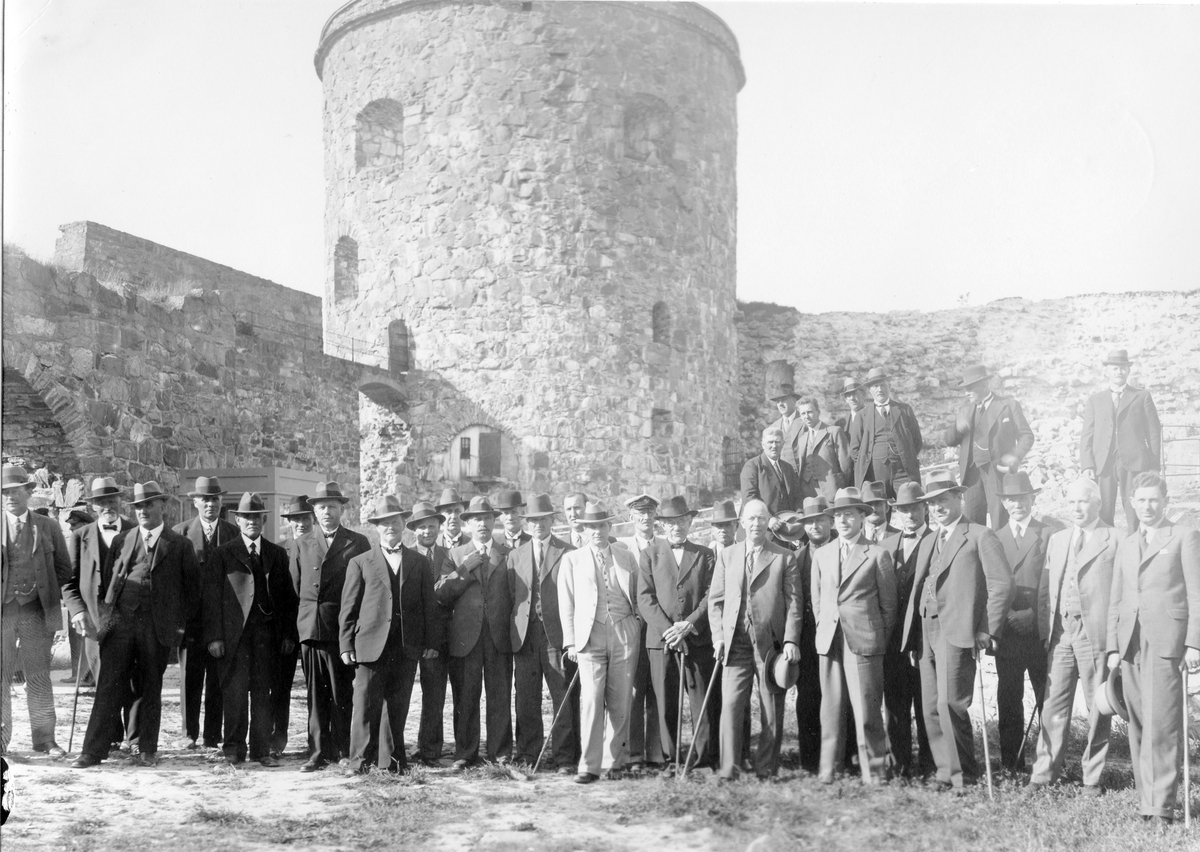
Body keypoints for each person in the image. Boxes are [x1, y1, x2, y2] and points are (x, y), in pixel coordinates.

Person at [72, 482, 202, 768]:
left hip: (157, 628)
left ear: (162, 507)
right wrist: (106, 620)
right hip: (120, 624)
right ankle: (93, 751)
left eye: (149, 505)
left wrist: (178, 628)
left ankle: (146, 749)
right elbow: (108, 582)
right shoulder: (123, 540)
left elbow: (193, 592)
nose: (143, 510)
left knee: (150, 688)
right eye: (139, 506)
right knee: (108, 686)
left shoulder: (179, 544)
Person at [901, 472, 1013, 791]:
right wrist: (912, 635)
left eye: (943, 501)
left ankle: (966, 775)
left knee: (952, 704)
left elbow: (1001, 585)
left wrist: (986, 629)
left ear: (958, 500)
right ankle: (945, 772)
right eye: (932, 503)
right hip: (926, 629)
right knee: (931, 706)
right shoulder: (930, 539)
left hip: (958, 629)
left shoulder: (979, 535)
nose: (937, 508)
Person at [1106, 472, 1200, 826]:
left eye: (1154, 500)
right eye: (1141, 500)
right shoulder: (1127, 543)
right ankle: (1147, 801)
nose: (1147, 506)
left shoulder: (1184, 536)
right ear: (1131, 501)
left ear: (1166, 501)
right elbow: (1117, 599)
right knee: (1139, 725)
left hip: (1166, 643)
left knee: (1162, 725)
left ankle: (1161, 807)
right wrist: (1113, 647)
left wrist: (1193, 643)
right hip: (1130, 645)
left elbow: (1196, 594)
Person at [1029, 478, 1118, 794]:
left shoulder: (1115, 538)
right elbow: (1047, 591)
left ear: (1098, 504)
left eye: (1082, 502)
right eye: (1071, 503)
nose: (1076, 508)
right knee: (1053, 703)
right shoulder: (1059, 539)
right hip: (1061, 635)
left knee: (1098, 707)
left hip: (1095, 635)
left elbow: (1121, 595)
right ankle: (1043, 773)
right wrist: (1046, 630)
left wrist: (1115, 642)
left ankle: (1091, 777)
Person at [339, 495, 439, 775]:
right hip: (369, 643)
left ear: (403, 524)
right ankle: (359, 761)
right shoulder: (360, 562)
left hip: (405, 645)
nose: (390, 527)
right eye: (384, 524)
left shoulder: (419, 562)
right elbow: (349, 606)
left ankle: (393, 761)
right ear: (377, 528)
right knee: (365, 704)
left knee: (398, 704)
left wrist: (430, 642)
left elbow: (429, 606)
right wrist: (346, 643)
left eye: (395, 522)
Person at [709, 499, 803, 781]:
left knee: (770, 708)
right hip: (734, 641)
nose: (756, 524)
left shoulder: (784, 556)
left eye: (762, 518)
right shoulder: (728, 555)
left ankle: (766, 769)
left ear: (768, 522)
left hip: (770, 645)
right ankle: (729, 769)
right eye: (750, 519)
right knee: (731, 705)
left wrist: (790, 640)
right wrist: (718, 637)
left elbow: (794, 604)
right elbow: (715, 602)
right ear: (741, 523)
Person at [205, 493, 298, 767]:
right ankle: (233, 749)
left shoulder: (276, 554)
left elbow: (286, 600)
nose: (252, 522)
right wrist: (214, 637)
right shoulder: (222, 554)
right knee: (234, 692)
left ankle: (261, 750)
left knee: (262, 694)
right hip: (234, 638)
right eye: (246, 517)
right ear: (238, 520)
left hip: (266, 637)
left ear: (264, 519)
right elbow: (211, 600)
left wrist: (287, 636)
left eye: (257, 517)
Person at [811, 488, 897, 784]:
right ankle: (829, 770)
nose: (843, 520)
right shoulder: (822, 554)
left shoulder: (877, 553)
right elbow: (817, 600)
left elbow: (889, 607)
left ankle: (874, 772)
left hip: (863, 642)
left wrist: (876, 639)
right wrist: (824, 628)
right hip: (830, 639)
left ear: (862, 517)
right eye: (838, 515)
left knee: (867, 710)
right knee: (830, 709)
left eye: (849, 514)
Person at [558, 501, 642, 783]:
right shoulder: (572, 560)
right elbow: (566, 604)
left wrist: (636, 624)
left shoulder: (625, 555)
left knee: (620, 700)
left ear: (609, 527)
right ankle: (589, 765)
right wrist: (570, 642)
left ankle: (613, 762)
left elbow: (638, 593)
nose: (597, 531)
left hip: (623, 632)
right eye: (591, 526)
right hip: (589, 636)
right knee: (592, 699)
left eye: (601, 525)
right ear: (584, 529)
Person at [293, 481, 370, 772]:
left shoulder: (357, 542)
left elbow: (363, 588)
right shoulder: (302, 544)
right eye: (322, 507)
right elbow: (295, 587)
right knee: (315, 694)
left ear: (342, 510)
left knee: (341, 693)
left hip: (341, 629)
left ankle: (340, 749)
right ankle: (316, 752)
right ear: (314, 510)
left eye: (333, 507)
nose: (327, 512)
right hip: (312, 629)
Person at [637, 496, 718, 772]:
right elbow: (645, 598)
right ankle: (670, 759)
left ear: (690, 522)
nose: (676, 527)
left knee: (701, 703)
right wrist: (670, 631)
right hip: (662, 642)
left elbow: (711, 595)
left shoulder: (705, 554)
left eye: (682, 521)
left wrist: (691, 624)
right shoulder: (650, 554)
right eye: (671, 523)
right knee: (665, 702)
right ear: (662, 526)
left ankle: (702, 759)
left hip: (697, 639)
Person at [435, 496, 514, 770]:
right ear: (467, 524)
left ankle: (500, 753)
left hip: (497, 636)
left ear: (495, 522)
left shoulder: (507, 554)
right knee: (466, 697)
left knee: (499, 696)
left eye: (488, 518)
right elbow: (441, 594)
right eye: (476, 519)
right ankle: (465, 753)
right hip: (465, 638)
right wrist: (464, 569)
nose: (483, 523)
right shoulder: (454, 555)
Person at [1, 465, 72, 758]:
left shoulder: (47, 526)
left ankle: (44, 740)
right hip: (3, 616)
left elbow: (64, 569)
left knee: (39, 677)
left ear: (29, 492)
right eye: (5, 493)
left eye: (16, 491)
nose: (10, 497)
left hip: (36, 614)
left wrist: (47, 597)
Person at [64, 477, 139, 749]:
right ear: (94, 506)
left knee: (132, 680)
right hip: (95, 620)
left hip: (130, 618)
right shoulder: (80, 537)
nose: (107, 506)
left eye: (111, 500)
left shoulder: (135, 531)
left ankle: (135, 738)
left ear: (119, 501)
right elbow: (69, 582)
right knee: (103, 678)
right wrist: (77, 612)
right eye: (101, 502)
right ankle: (110, 735)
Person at [508, 493, 577, 771]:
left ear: (552, 521)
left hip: (555, 637)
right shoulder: (515, 554)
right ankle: (527, 755)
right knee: (526, 696)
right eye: (533, 520)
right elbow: (512, 597)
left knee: (561, 697)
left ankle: (563, 758)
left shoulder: (567, 552)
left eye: (543, 519)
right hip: (525, 637)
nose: (538, 525)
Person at [992, 472, 1055, 772]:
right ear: (1004, 503)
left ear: (1032, 498)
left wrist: (1034, 614)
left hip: (1038, 630)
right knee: (1009, 701)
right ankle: (1011, 765)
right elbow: (989, 583)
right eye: (1011, 499)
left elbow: (1055, 580)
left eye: (1022, 498)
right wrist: (1006, 616)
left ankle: (1049, 766)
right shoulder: (994, 538)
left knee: (1048, 701)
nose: (1017, 504)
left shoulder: (1048, 534)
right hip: (1009, 633)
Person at [174, 475, 239, 750]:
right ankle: (189, 733)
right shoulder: (180, 533)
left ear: (221, 502)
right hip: (191, 622)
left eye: (214, 499)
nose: (210, 504)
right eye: (204, 500)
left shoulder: (233, 533)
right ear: (195, 503)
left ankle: (213, 735)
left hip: (221, 621)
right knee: (190, 676)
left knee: (216, 678)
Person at [879, 482, 935, 778]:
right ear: (896, 512)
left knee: (927, 705)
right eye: (903, 509)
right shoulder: (887, 545)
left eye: (914, 507)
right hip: (893, 643)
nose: (909, 514)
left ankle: (929, 764)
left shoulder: (938, 541)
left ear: (925, 508)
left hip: (925, 639)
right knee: (896, 706)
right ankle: (898, 764)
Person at [943, 365, 1035, 530]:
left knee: (1001, 520)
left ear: (984, 385)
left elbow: (1026, 436)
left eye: (970, 387)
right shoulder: (965, 409)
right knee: (972, 523)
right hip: (971, 475)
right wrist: (957, 428)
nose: (966, 392)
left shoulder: (1008, 405)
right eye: (965, 388)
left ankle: (1004, 553)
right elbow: (948, 440)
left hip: (998, 472)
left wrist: (1015, 456)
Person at [1080, 349, 1162, 530]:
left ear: (1128, 371)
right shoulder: (1095, 400)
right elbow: (1087, 434)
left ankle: (1138, 546)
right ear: (1107, 371)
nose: (1119, 372)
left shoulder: (1142, 396)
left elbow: (1154, 434)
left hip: (1135, 462)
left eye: (1123, 368)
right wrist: (1087, 465)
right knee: (1102, 510)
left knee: (1136, 509)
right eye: (1115, 368)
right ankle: (1107, 549)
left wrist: (1154, 467)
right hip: (1104, 463)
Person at [615, 493, 661, 772]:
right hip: (631, 628)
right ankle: (632, 754)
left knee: (656, 689)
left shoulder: (666, 547)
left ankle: (655, 752)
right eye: (640, 513)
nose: (646, 518)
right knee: (632, 691)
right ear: (631, 518)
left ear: (656, 516)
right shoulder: (621, 549)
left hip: (658, 630)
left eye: (650, 513)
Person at [406, 501, 453, 767]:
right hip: (413, 636)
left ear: (438, 528)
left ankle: (430, 749)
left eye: (431, 526)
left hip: (442, 637)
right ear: (414, 530)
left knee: (434, 695)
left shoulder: (449, 555)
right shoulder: (406, 554)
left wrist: (435, 638)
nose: (427, 532)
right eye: (422, 527)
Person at [271, 495, 313, 757]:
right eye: (294, 519)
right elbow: (278, 595)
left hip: (314, 627)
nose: (299, 524)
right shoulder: (279, 551)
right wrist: (286, 632)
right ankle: (278, 737)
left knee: (317, 686)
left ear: (313, 520)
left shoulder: (322, 547)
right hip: (286, 628)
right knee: (280, 685)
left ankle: (317, 740)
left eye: (304, 519)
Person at [793, 496, 831, 772]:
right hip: (806, 636)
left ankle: (843, 754)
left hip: (836, 634)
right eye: (809, 522)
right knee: (807, 696)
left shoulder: (842, 550)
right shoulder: (797, 557)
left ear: (829, 521)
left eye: (819, 519)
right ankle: (810, 758)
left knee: (838, 696)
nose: (815, 526)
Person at [848, 368, 922, 499]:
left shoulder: (904, 410)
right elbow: (855, 450)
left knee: (910, 503)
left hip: (902, 471)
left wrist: (905, 456)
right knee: (879, 513)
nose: (880, 389)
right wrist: (870, 462)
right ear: (870, 390)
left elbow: (917, 441)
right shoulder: (862, 416)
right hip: (876, 474)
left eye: (883, 385)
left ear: (889, 387)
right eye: (875, 386)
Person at [740, 427, 803, 532]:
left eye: (777, 442)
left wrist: (800, 514)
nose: (774, 446)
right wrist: (768, 518)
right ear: (763, 444)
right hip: (765, 529)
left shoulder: (788, 468)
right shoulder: (752, 466)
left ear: (783, 444)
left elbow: (797, 495)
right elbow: (749, 498)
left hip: (789, 528)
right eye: (770, 442)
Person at [794, 396, 851, 503]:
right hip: (808, 494)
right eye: (803, 414)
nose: (806, 416)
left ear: (818, 412)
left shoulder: (834, 432)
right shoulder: (802, 440)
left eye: (809, 412)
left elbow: (846, 466)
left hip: (832, 492)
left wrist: (839, 486)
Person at [768, 382, 805, 471]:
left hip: (804, 477)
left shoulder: (805, 421)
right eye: (777, 401)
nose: (780, 404)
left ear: (794, 401)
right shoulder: (773, 427)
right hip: (784, 478)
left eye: (784, 399)